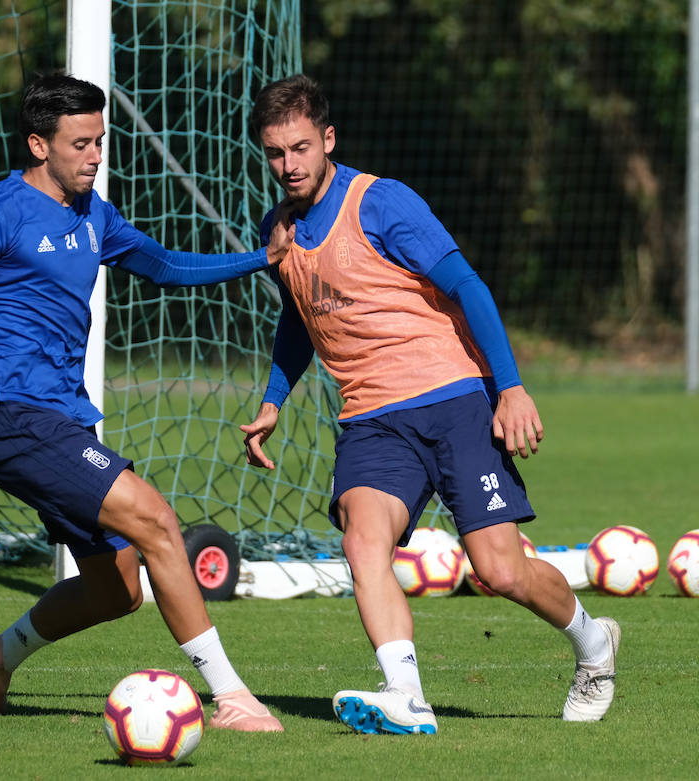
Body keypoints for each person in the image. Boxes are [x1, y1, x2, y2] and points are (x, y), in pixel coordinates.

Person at [0, 73, 292, 732]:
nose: (95, 155)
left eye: (100, 140)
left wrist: (260, 260)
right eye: (80, 143)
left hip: (63, 420)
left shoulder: (94, 212)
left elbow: (165, 265)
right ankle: (233, 696)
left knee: (117, 588)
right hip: (7, 416)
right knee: (155, 518)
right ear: (39, 144)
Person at [240, 74, 619, 735]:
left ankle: (594, 644)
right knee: (363, 542)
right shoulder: (277, 229)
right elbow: (301, 316)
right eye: (275, 153)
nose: (289, 165)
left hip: (450, 397)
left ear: (328, 139)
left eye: (301, 148)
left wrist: (510, 387)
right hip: (369, 418)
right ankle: (405, 695)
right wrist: (275, 398)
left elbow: (468, 286)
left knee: (499, 569)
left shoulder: (383, 204)